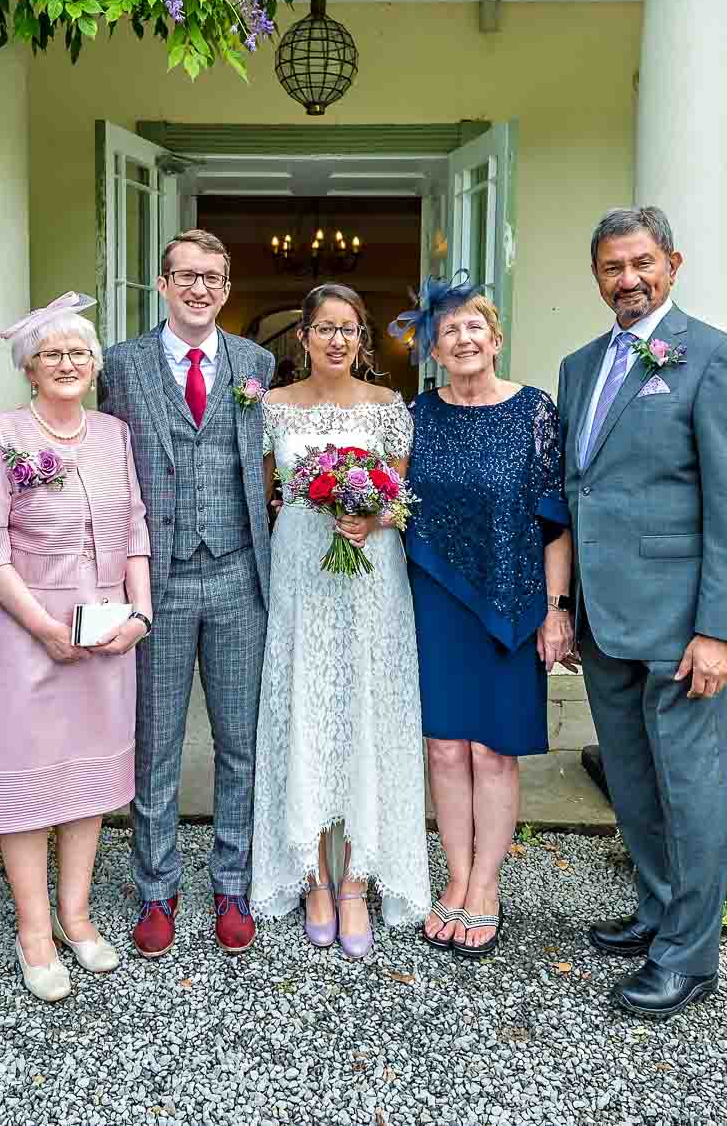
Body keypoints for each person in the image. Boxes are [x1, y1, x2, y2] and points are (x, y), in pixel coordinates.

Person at [559, 205, 727, 1021]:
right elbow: (582, 490)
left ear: (672, 264)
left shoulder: (716, 358)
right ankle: (656, 910)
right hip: (606, 622)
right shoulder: (580, 367)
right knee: (635, 783)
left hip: (683, 626)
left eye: (642, 262)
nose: (628, 278)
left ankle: (689, 955)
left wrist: (719, 629)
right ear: (598, 276)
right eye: (613, 266)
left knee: (689, 787)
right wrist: (567, 606)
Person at [98, 230, 276, 959]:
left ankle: (232, 881)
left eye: (213, 277)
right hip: (158, 579)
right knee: (155, 745)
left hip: (238, 573)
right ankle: (156, 887)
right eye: (186, 276)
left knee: (242, 742)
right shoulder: (119, 365)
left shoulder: (256, 363)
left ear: (226, 290)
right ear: (163, 283)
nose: (199, 288)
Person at [0, 293, 150, 1002]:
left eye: (79, 352)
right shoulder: (4, 433)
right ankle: (34, 930)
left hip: (106, 631)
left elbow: (134, 527)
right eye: (53, 354)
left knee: (87, 782)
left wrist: (139, 612)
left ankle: (77, 915)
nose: (68, 363)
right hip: (28, 632)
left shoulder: (113, 433)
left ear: (95, 363)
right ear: (30, 366)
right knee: (28, 780)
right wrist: (42, 625)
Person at [391, 276, 572, 961]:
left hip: (512, 596)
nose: (464, 338)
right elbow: (396, 502)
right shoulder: (419, 414)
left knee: (493, 749)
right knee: (443, 746)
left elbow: (555, 521)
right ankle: (457, 874)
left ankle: (487, 884)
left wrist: (555, 612)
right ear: (434, 348)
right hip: (435, 597)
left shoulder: (534, 411)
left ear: (495, 339)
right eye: (450, 330)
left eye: (476, 327)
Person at [252, 283, 430, 959]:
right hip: (302, 576)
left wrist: (370, 512)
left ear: (363, 339)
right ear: (302, 337)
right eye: (323, 328)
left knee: (364, 718)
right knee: (309, 712)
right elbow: (265, 492)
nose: (336, 339)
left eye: (348, 329)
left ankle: (355, 879)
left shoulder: (388, 408)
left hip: (372, 578)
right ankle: (312, 876)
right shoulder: (273, 408)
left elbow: (403, 498)